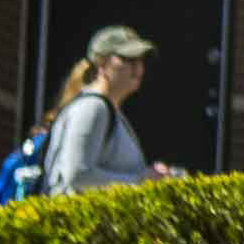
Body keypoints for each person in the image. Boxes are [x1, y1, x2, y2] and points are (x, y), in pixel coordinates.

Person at [39, 25, 187, 194]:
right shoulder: (93, 108)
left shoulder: (109, 111)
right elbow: (77, 177)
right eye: (127, 58)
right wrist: (142, 181)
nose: (137, 67)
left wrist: (149, 175)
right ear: (101, 65)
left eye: (140, 59)